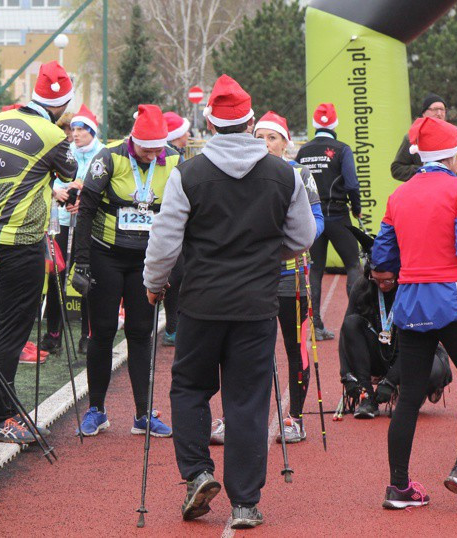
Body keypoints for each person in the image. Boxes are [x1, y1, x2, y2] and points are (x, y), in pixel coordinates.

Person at [144, 75, 315, 529]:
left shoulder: (189, 173)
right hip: (257, 304)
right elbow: (302, 236)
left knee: (188, 388)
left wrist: (153, 281)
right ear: (252, 121)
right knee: (247, 402)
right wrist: (265, 255)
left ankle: (198, 472)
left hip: (200, 302)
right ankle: (245, 502)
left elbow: (165, 239)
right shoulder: (284, 173)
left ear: (209, 124)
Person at [372, 116, 457, 509]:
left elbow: (380, 258)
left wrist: (390, 276)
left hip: (411, 301)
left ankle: (399, 487)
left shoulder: (400, 195)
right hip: (454, 298)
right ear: (455, 154)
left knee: (409, 395)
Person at [0, 61, 77, 444]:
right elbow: (67, 174)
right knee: (12, 331)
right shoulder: (53, 134)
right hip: (21, 243)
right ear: (62, 105)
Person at [73, 104, 180, 438]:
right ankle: (96, 410)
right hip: (106, 255)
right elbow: (86, 211)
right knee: (102, 331)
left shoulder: (174, 160)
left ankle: (143, 414)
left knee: (140, 333)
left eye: (157, 149)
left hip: (147, 261)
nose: (151, 155)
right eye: (145, 149)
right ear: (134, 141)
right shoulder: (109, 158)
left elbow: (184, 213)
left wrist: (177, 263)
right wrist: (82, 262)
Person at [254, 111, 324, 442]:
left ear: (285, 142)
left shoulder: (300, 173)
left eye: (272, 138)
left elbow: (317, 219)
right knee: (250, 349)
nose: (265, 144)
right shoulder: (244, 171)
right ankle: (242, 416)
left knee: (296, 348)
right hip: (252, 276)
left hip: (291, 277)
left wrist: (294, 240)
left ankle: (295, 418)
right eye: (259, 138)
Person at [339, 227, 451, 419]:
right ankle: (367, 398)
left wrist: (390, 381)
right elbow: (346, 335)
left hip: (416, 351)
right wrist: (347, 374)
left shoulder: (415, 289)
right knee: (351, 323)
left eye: (388, 281)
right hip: (382, 350)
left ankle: (409, 390)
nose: (382, 286)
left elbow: (422, 342)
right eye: (376, 280)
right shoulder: (362, 286)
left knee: (433, 371)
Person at [39, 104, 102, 355]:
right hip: (62, 221)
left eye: (80, 129)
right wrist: (59, 191)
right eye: (72, 129)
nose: (74, 134)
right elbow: (51, 179)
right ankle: (53, 333)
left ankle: (88, 334)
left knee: (86, 278)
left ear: (92, 131)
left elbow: (106, 186)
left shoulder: (103, 154)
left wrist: (85, 195)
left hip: (90, 224)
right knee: (57, 277)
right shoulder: (65, 151)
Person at [295, 103, 361, 340]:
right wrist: (357, 207)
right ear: (334, 124)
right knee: (354, 264)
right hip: (338, 215)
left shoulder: (303, 151)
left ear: (314, 124)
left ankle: (315, 325)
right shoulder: (342, 149)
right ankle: (355, 323)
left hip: (313, 218)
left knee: (315, 269)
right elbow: (352, 184)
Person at [390, 93, 457, 187]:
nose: (439, 113)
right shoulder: (412, 137)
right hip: (424, 194)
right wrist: (425, 170)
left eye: (442, 109)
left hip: (455, 194)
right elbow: (397, 169)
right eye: (434, 109)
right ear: (424, 113)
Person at [160, 111, 191, 346]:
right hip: (166, 223)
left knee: (177, 276)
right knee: (173, 276)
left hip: (175, 223)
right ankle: (171, 327)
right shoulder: (169, 157)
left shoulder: (179, 156)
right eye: (184, 132)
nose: (189, 135)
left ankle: (172, 327)